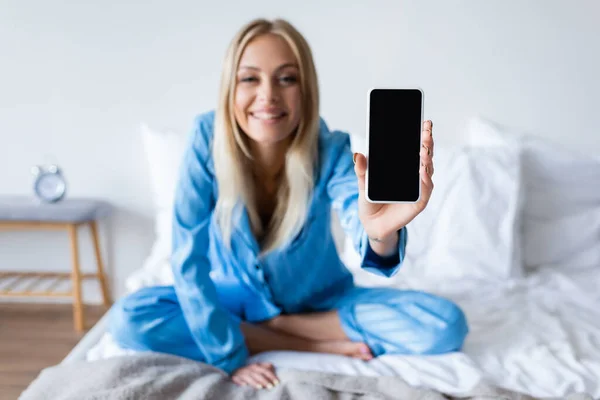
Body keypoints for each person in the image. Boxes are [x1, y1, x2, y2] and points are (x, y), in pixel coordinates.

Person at [109, 18, 468, 390]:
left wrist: (380, 233)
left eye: (287, 78)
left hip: (322, 303)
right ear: (230, 88)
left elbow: (361, 218)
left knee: (443, 325)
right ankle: (287, 339)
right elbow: (188, 257)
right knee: (129, 319)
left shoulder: (332, 148)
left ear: (306, 90)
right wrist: (226, 354)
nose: (268, 96)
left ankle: (272, 329)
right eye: (250, 78)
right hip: (232, 299)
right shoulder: (206, 137)